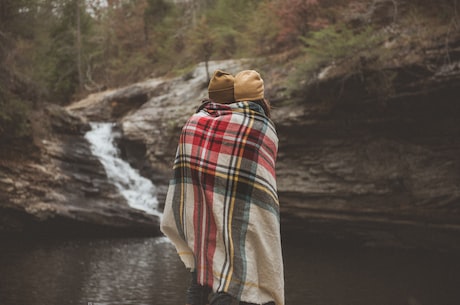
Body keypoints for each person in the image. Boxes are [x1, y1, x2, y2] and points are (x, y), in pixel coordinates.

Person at [161, 69, 284, 305]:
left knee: (200, 279)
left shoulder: (195, 121)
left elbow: (185, 172)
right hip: (242, 217)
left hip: (202, 215)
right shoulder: (260, 125)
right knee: (231, 283)